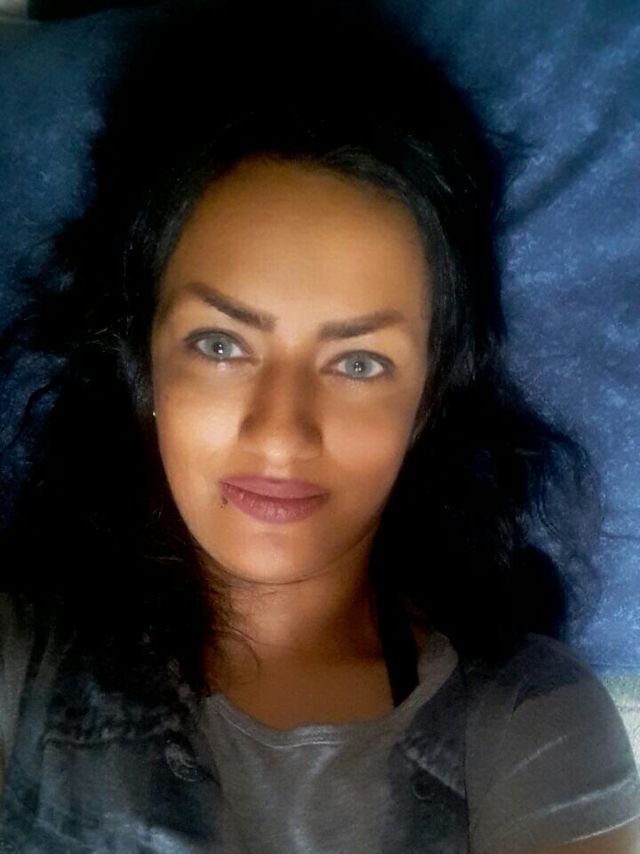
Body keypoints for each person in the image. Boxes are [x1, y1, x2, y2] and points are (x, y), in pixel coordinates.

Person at [0, 0, 638, 851]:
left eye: (360, 363)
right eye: (221, 344)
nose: (281, 434)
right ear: (143, 363)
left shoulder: (532, 728)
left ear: (429, 398)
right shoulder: (23, 667)